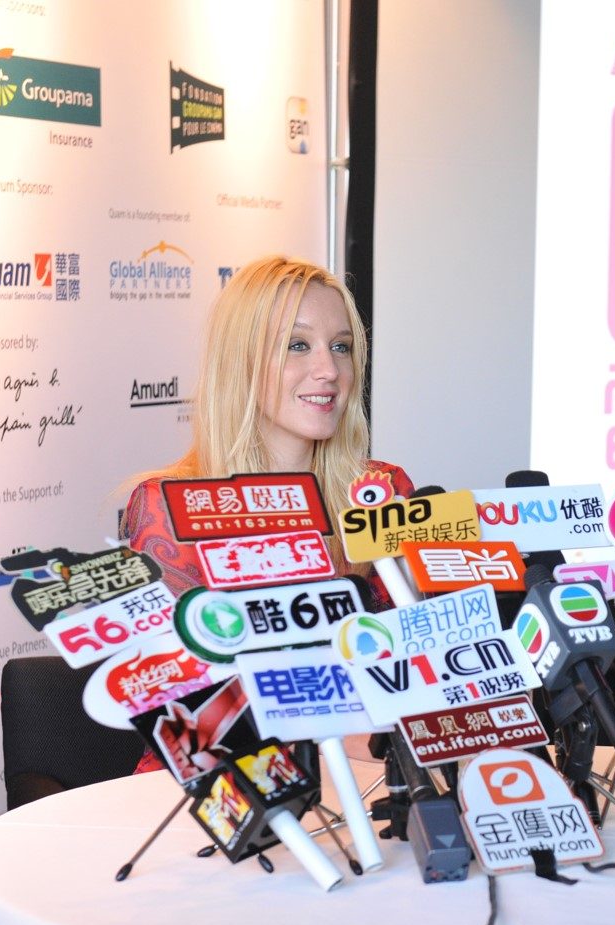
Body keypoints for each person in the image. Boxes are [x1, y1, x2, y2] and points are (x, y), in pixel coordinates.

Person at [121, 255, 413, 773]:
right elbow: (182, 708)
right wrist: (337, 723)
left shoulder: (382, 490)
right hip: (221, 790)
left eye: (341, 347)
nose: (329, 370)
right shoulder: (167, 504)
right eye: (298, 345)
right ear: (241, 360)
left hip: (370, 775)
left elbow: (415, 659)